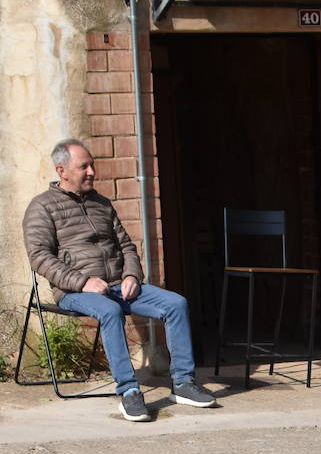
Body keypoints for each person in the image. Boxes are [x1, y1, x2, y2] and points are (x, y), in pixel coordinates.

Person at [23, 139, 218, 422]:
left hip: (117, 284)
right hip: (74, 290)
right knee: (110, 310)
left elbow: (126, 245)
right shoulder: (42, 207)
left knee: (176, 303)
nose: (92, 171)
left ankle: (184, 383)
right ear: (62, 170)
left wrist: (131, 275)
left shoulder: (102, 203)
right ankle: (129, 392)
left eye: (92, 164)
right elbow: (39, 256)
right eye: (84, 166)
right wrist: (82, 282)